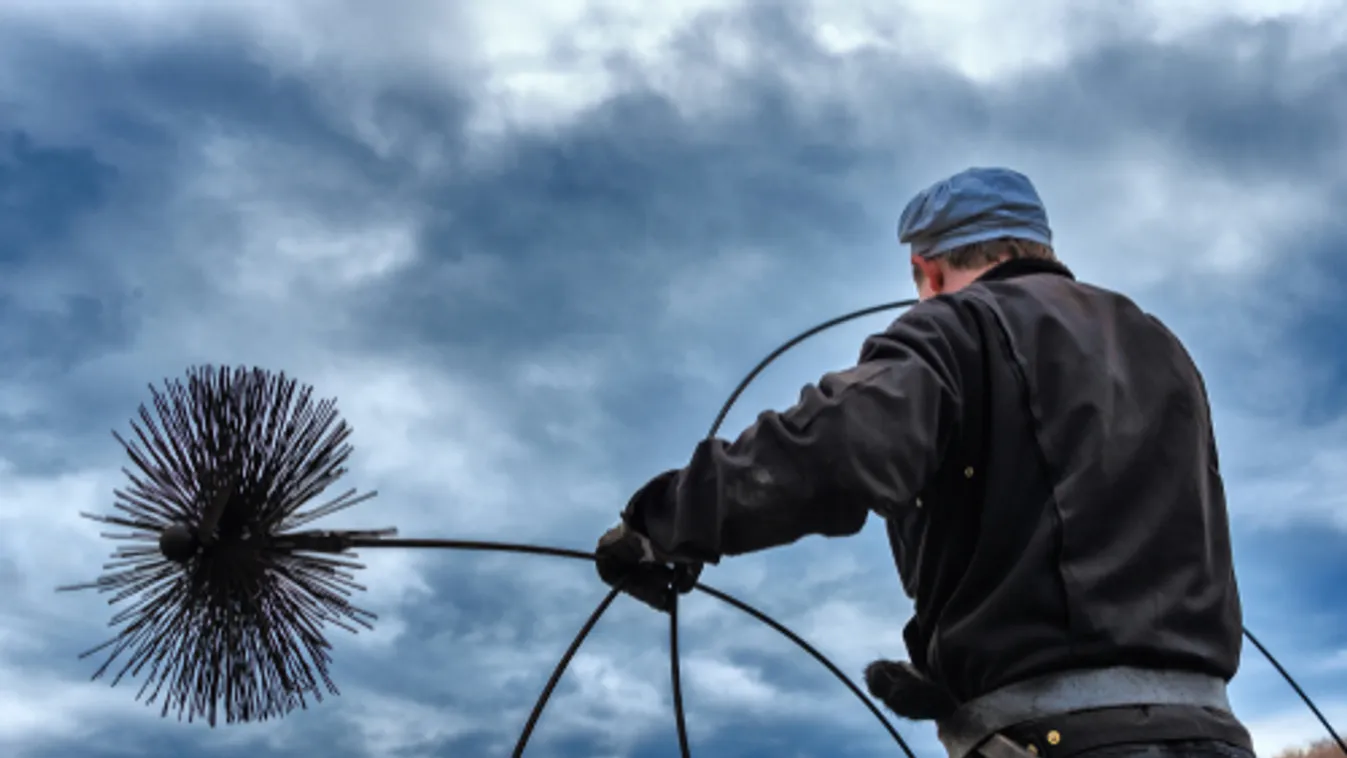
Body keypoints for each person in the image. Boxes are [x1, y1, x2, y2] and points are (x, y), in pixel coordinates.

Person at [594, 167, 1253, 758]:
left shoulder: (951, 327)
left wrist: (660, 523)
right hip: (1215, 734)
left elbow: (833, 447)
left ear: (928, 270)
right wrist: (949, 682)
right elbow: (1076, 533)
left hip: (1058, 742)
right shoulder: (1159, 345)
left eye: (918, 283)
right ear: (1038, 245)